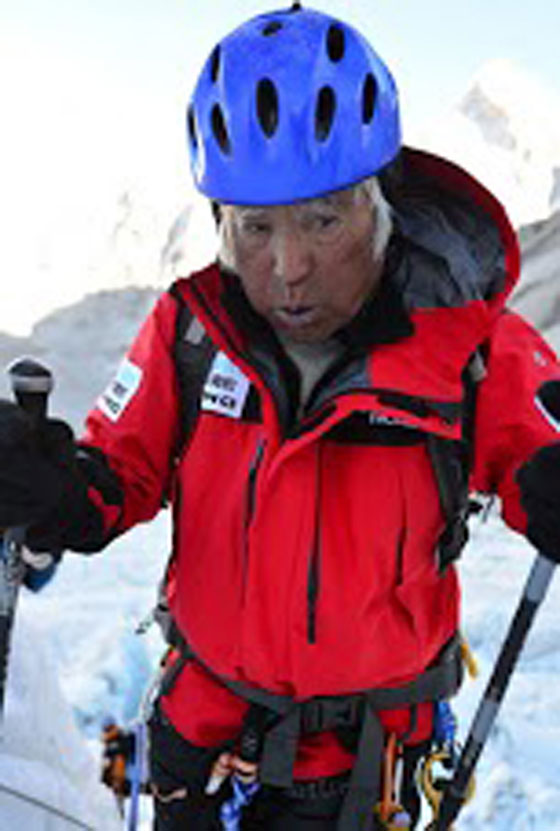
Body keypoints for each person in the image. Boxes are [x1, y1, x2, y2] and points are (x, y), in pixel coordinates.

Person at [1, 4, 560, 830]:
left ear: (377, 202)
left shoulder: (469, 344)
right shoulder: (191, 331)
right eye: (255, 227)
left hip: (362, 777)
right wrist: (51, 490)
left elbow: (540, 452)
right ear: (220, 220)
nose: (288, 267)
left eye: (323, 220)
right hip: (199, 758)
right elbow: (115, 477)